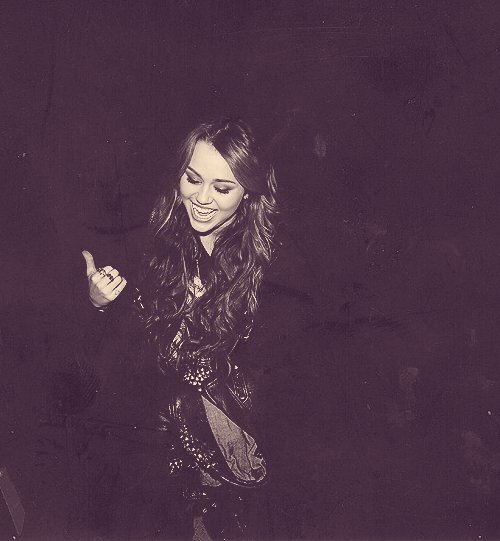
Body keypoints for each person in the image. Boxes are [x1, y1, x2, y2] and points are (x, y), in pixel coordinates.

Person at [80, 117, 307, 540]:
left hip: (235, 476)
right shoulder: (158, 242)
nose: (202, 199)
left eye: (223, 188)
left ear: (249, 192)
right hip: (158, 468)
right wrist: (100, 305)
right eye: (193, 179)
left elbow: (281, 398)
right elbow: (120, 365)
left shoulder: (276, 272)